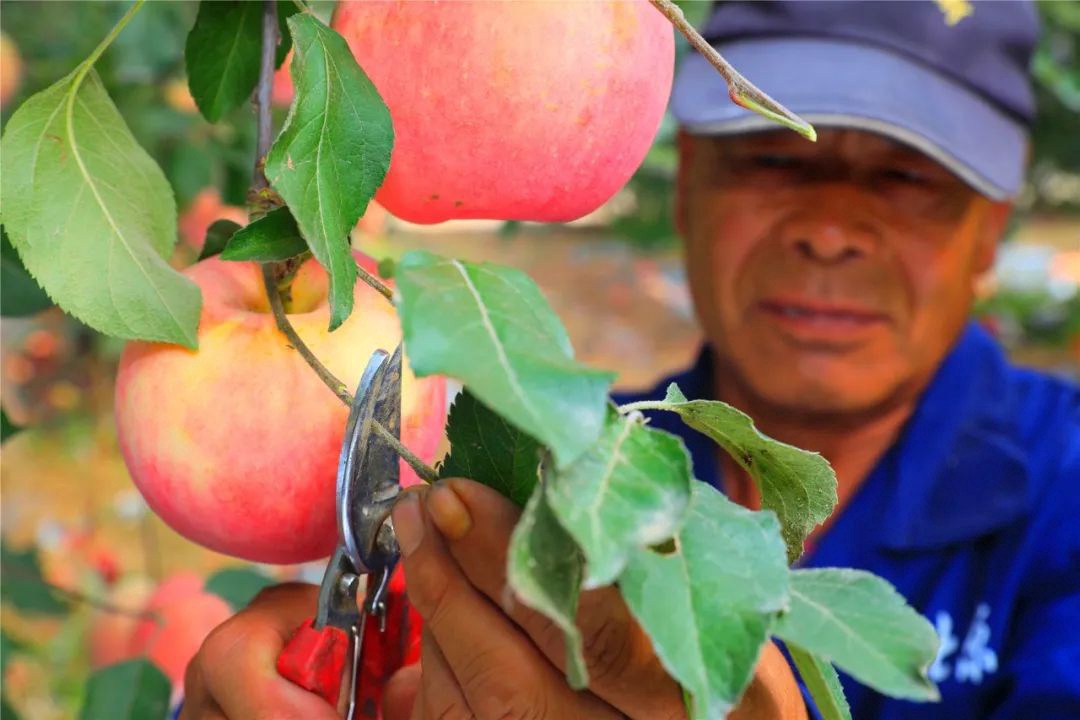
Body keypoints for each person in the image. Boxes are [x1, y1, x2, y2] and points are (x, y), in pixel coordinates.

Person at [180, 1, 1079, 718]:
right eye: (772, 157)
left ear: (990, 227)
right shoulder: (559, 478)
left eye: (907, 177)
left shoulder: (1064, 498)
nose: (831, 231)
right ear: (688, 181)